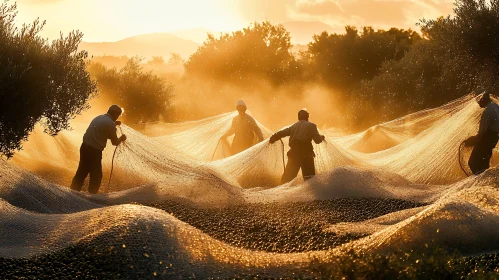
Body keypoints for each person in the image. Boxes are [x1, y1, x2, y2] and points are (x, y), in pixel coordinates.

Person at [70, 105, 127, 194]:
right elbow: (115, 142)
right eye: (118, 115)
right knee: (96, 176)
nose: (117, 117)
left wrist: (114, 124)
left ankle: (73, 192)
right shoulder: (110, 124)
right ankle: (92, 196)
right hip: (94, 151)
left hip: (84, 147)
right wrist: (121, 138)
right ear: (114, 113)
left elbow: (101, 130)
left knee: (82, 171)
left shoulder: (98, 117)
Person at [269, 109, 325, 184]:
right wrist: (321, 137)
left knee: (288, 179)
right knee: (309, 179)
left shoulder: (294, 126)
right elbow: (317, 140)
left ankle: (281, 193)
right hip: (306, 155)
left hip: (294, 153)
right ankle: (308, 194)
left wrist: (274, 138)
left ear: (298, 117)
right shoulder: (311, 125)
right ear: (307, 117)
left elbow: (282, 133)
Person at [465, 93, 499, 174]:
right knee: (484, 164)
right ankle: (484, 180)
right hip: (493, 138)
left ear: (483, 99)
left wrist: (472, 140)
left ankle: (480, 182)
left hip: (486, 138)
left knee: (473, 163)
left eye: (479, 101)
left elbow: (482, 132)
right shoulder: (495, 106)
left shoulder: (488, 112)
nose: (478, 103)